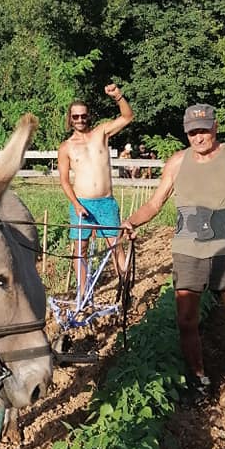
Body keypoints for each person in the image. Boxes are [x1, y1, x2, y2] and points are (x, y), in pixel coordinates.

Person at [122, 100, 225, 428]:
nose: (198, 137)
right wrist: (131, 222)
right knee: (186, 320)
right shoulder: (176, 162)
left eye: (203, 130)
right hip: (188, 250)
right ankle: (198, 380)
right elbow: (155, 203)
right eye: (192, 132)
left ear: (214, 127)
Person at [58, 84, 134, 297]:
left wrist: (117, 96)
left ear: (88, 116)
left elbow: (127, 117)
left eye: (83, 116)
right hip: (82, 203)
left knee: (115, 246)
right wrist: (76, 204)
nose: (80, 120)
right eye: (76, 117)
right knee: (80, 251)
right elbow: (64, 180)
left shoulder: (101, 133)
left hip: (106, 203)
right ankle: (83, 292)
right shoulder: (66, 147)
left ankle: (125, 287)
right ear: (70, 119)